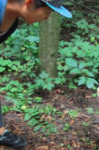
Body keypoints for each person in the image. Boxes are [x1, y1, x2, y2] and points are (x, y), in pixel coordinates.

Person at [0, 0, 72, 149]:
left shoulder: (12, 22)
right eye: (47, 12)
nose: (46, 18)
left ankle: (0, 133)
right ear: (30, 3)